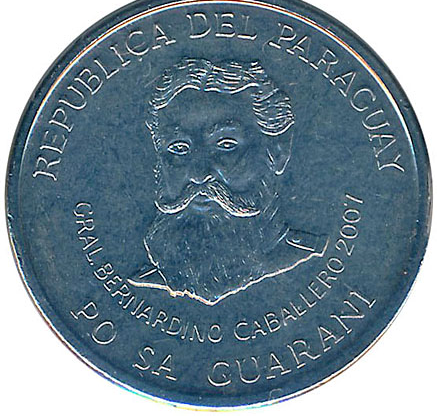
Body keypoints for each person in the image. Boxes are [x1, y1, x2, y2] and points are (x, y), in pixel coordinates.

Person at [127, 58, 328, 305]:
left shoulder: (308, 257)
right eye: (179, 148)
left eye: (225, 144)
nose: (199, 174)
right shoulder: (142, 281)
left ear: (278, 151)